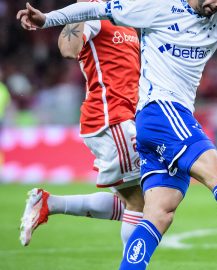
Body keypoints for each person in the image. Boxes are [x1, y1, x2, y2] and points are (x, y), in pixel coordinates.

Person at [17, 0, 217, 268]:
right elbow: (93, 8)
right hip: (160, 111)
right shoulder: (156, 8)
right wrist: (46, 19)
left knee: (159, 211)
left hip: (160, 119)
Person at [18, 0, 145, 250]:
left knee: (137, 201)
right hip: (111, 118)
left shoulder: (126, 16)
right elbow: (68, 48)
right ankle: (131, 265)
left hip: (125, 117)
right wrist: (82, 9)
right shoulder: (94, 12)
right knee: (142, 201)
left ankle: (48, 203)